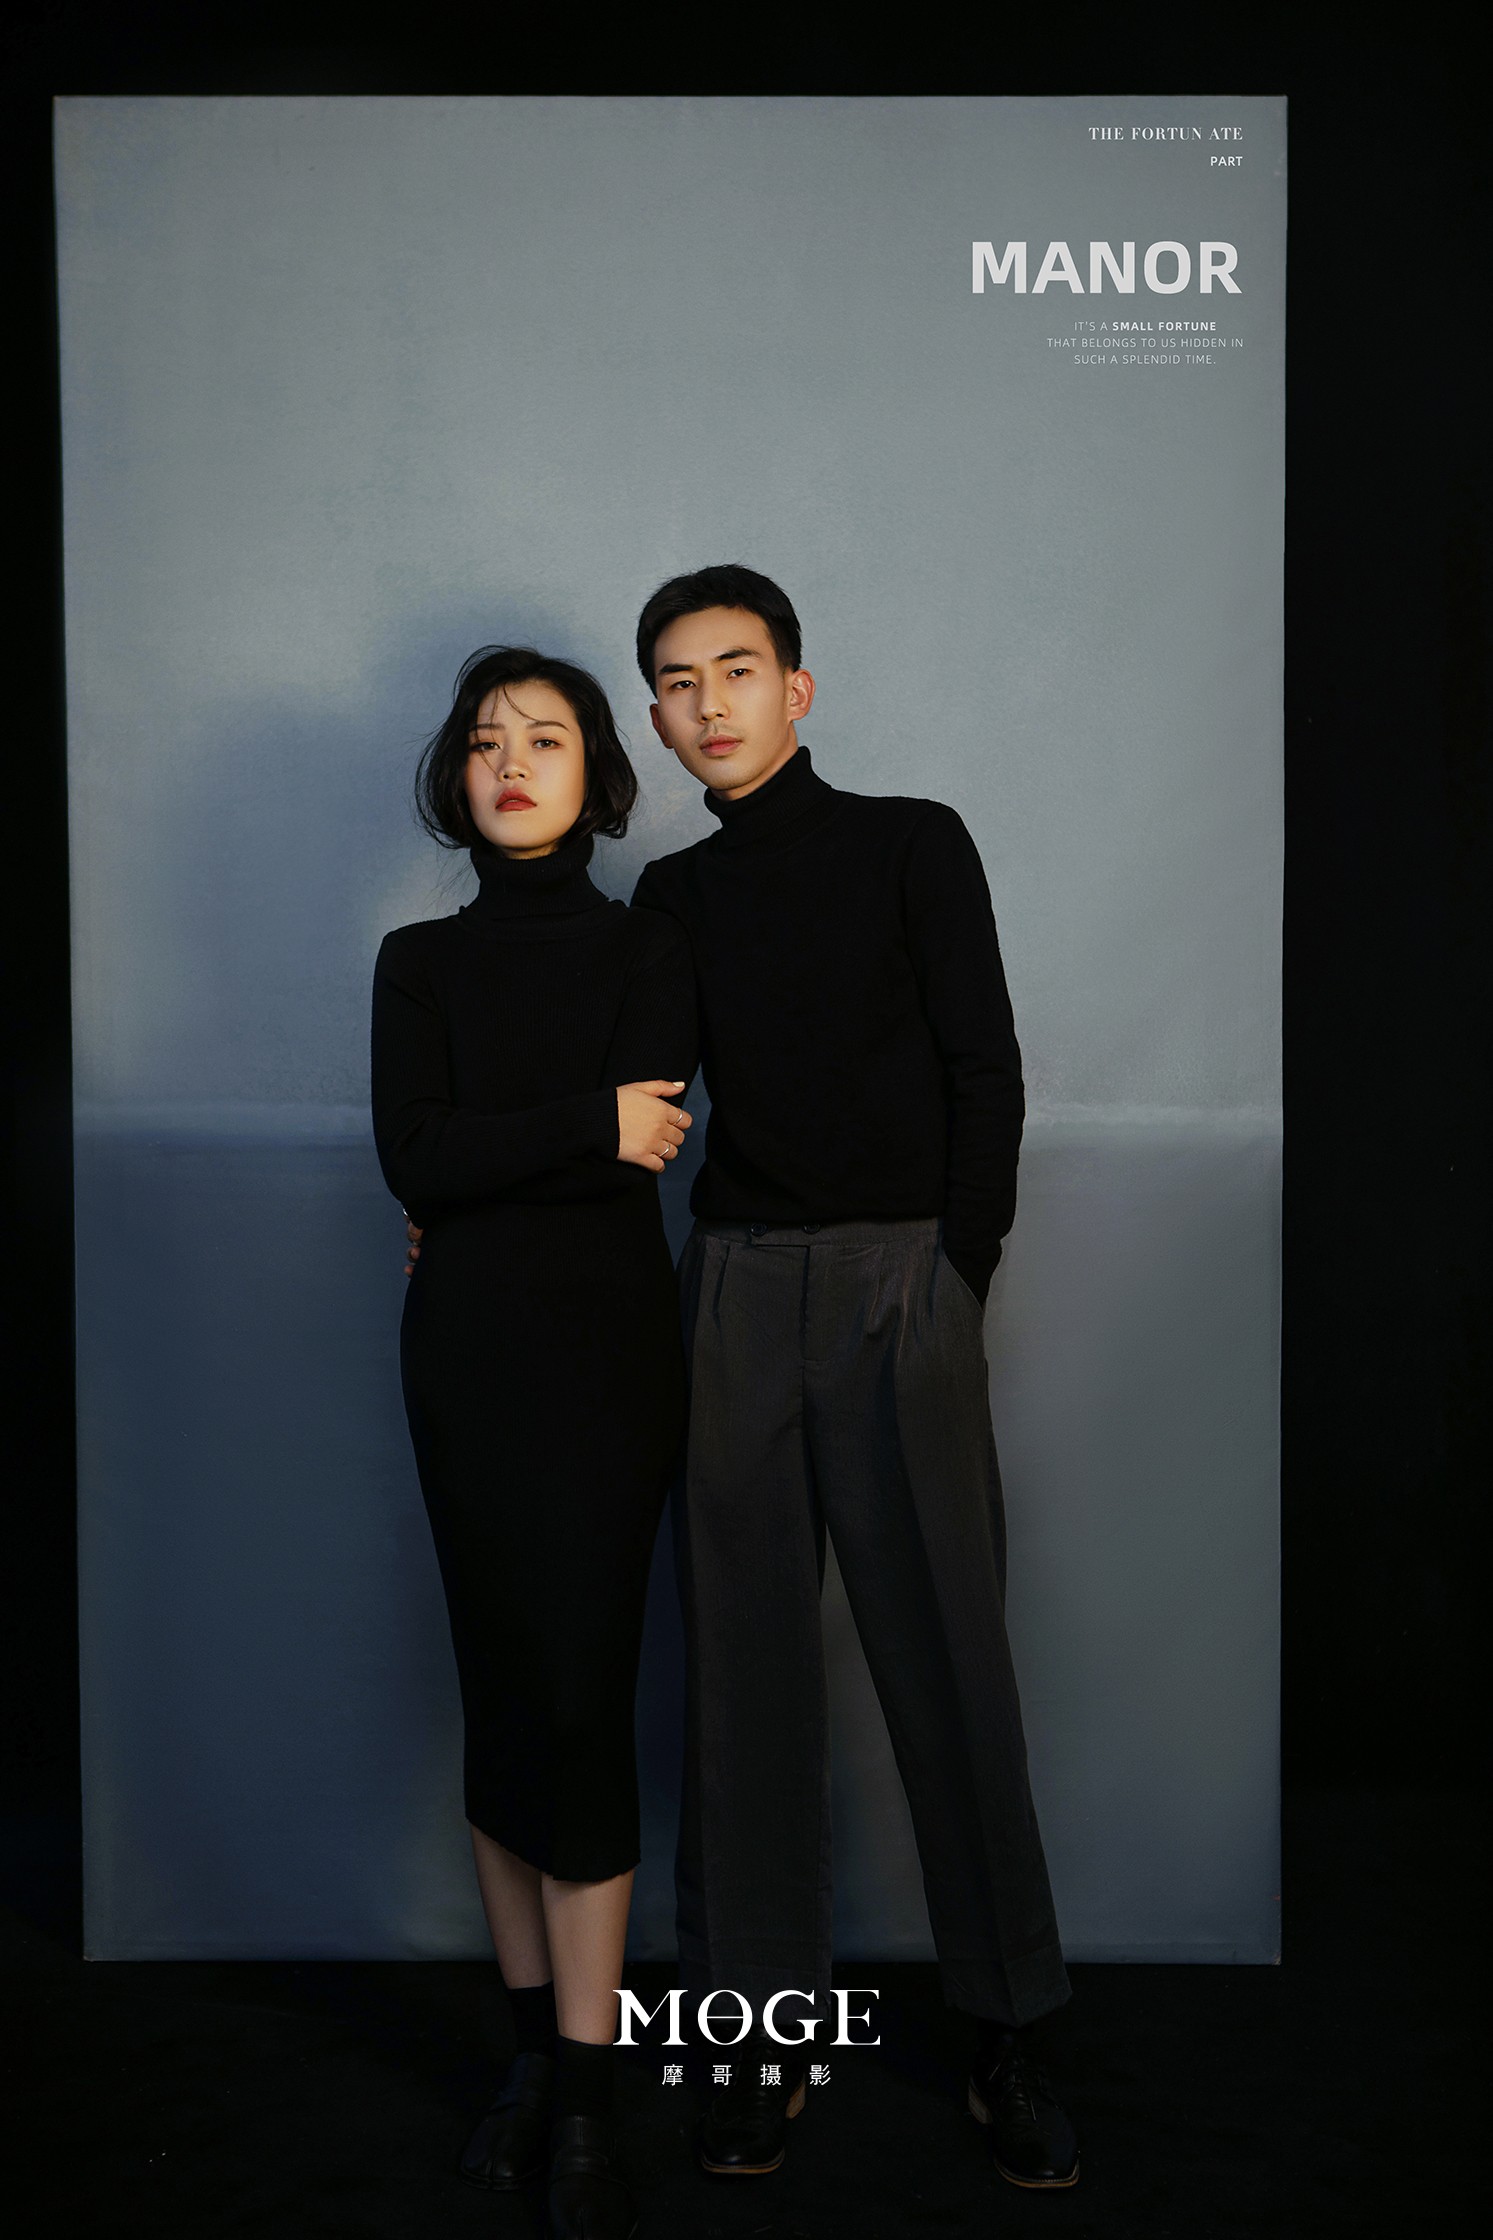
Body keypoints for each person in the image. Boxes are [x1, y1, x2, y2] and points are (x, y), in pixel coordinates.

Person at [629, 564, 1080, 2191]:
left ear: (796, 688)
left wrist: (958, 1269)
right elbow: (632, 1098)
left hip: (903, 1277)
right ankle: (759, 2039)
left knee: (950, 1655)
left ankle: (1007, 2032)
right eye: (676, 682)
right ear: (655, 718)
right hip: (737, 1284)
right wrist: (465, 1187)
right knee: (739, 1676)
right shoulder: (673, 896)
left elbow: (984, 1065)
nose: (709, 704)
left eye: (736, 669)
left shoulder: (910, 841)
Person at [372, 644, 696, 2240]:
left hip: (605, 1361)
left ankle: (585, 2096)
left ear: (594, 773)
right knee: (502, 1692)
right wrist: (579, 1126)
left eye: (545, 739)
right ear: (456, 774)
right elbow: (413, 1159)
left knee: (579, 1699)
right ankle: (529, 2065)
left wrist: (498, 1163)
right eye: (485, 741)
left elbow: (644, 1145)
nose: (510, 763)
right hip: (464, 1362)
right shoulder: (415, 963)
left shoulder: (647, 945)